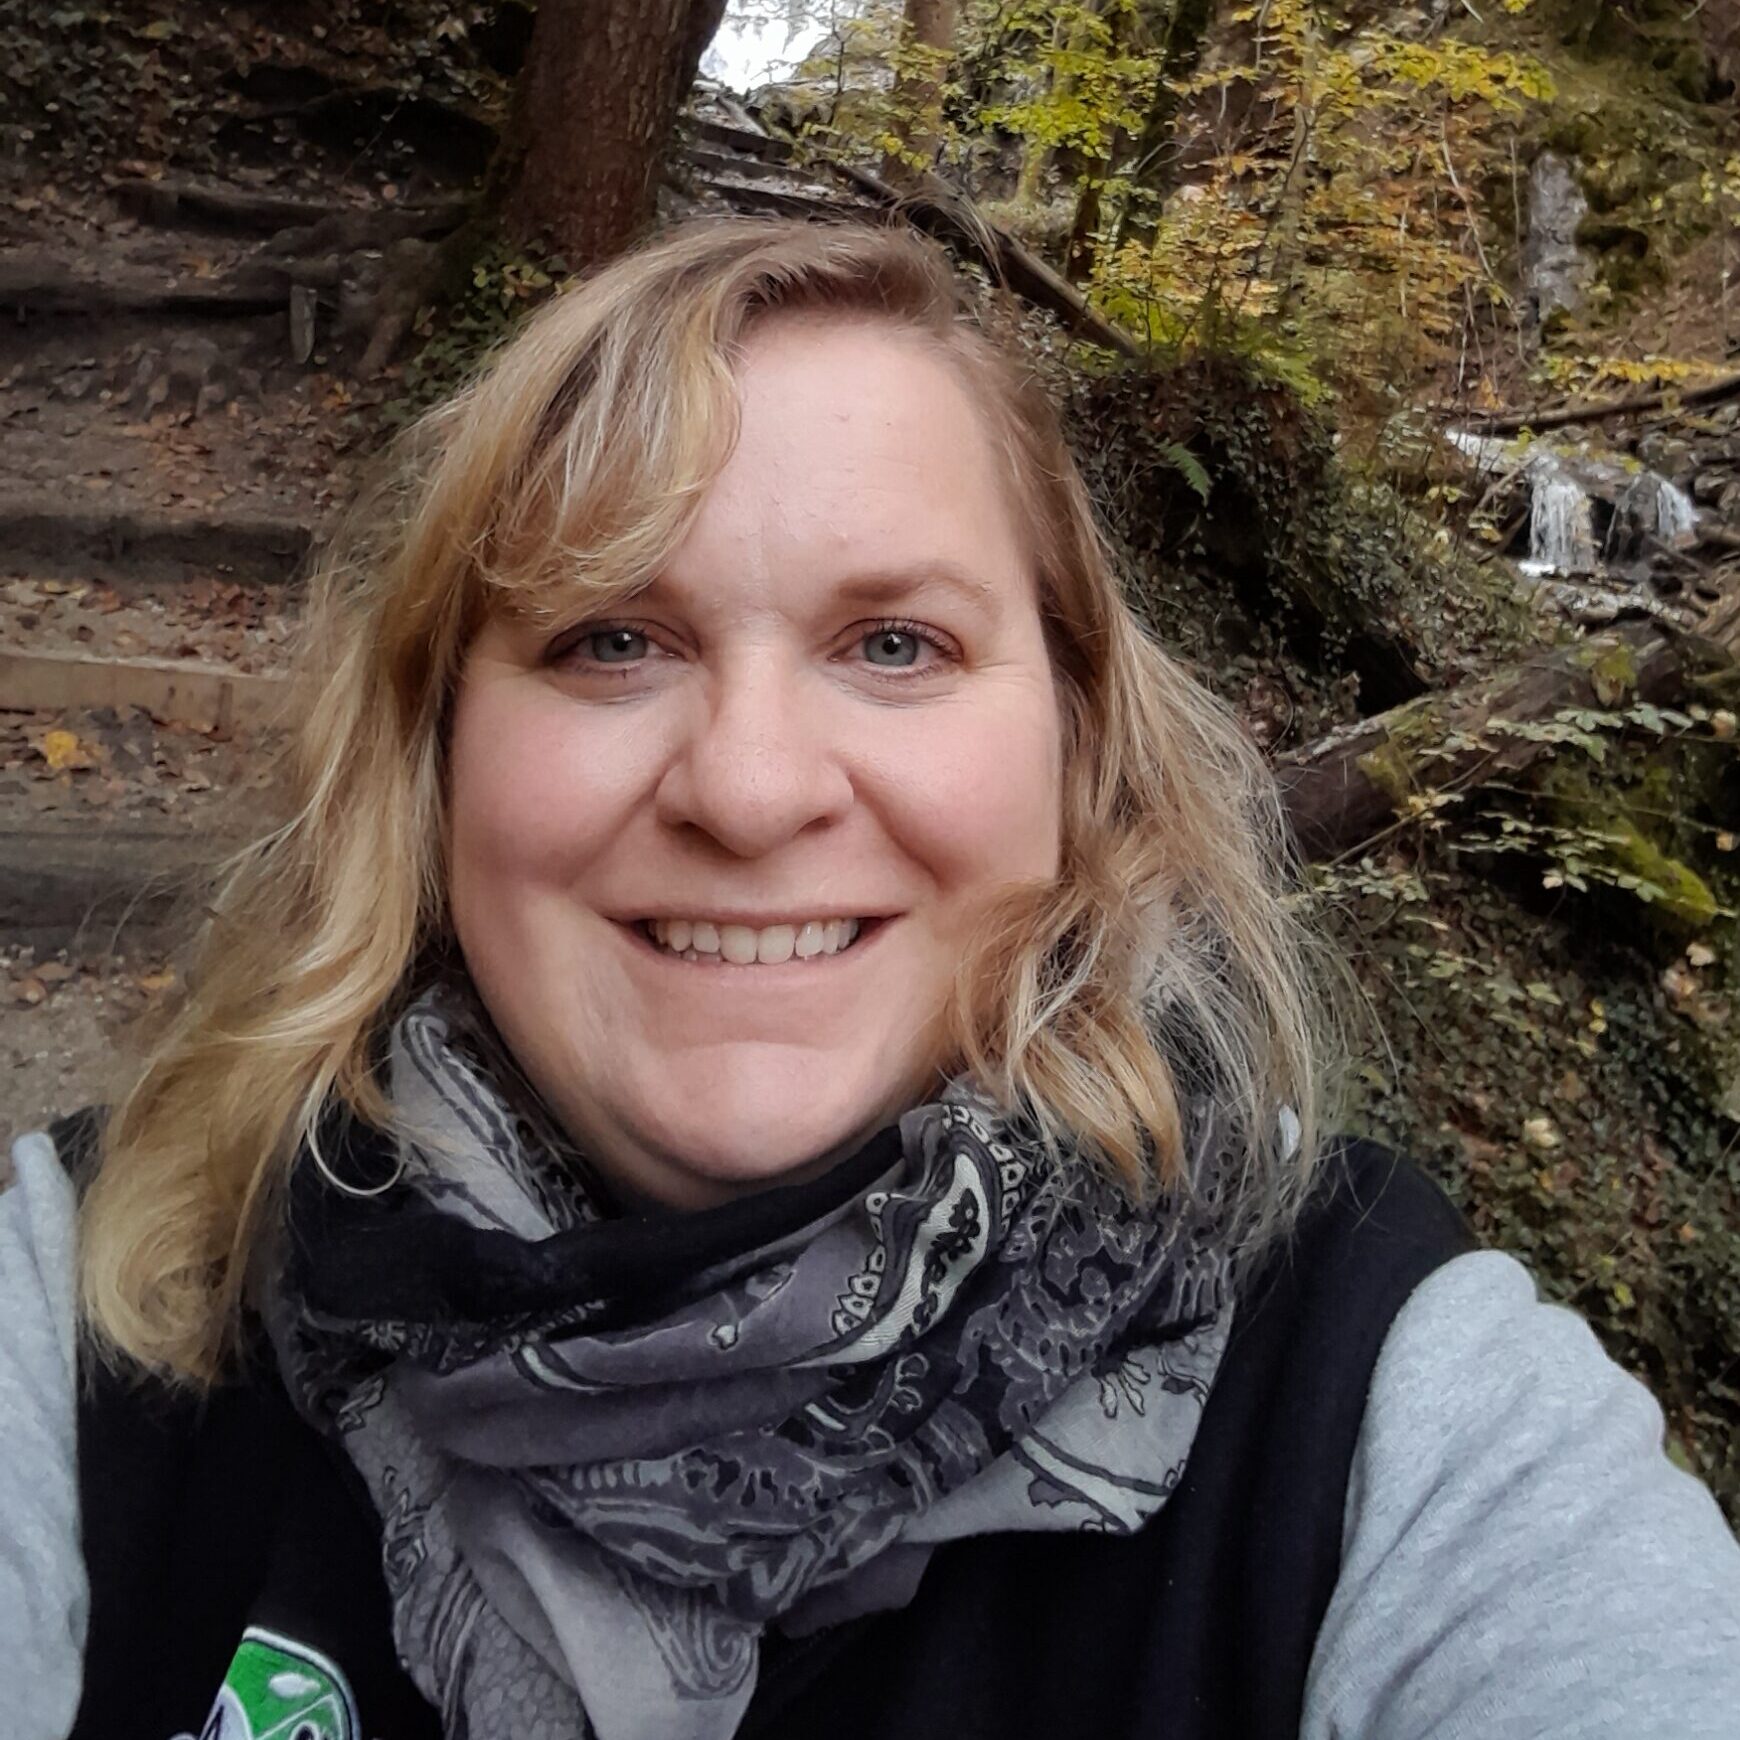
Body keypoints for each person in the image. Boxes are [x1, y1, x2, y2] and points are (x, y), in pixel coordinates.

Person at [3, 215, 1738, 1740]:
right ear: (438, 755)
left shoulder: (1386, 1411)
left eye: (895, 644)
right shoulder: (102, 1292)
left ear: (1076, 752)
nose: (752, 791)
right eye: (613, 639)